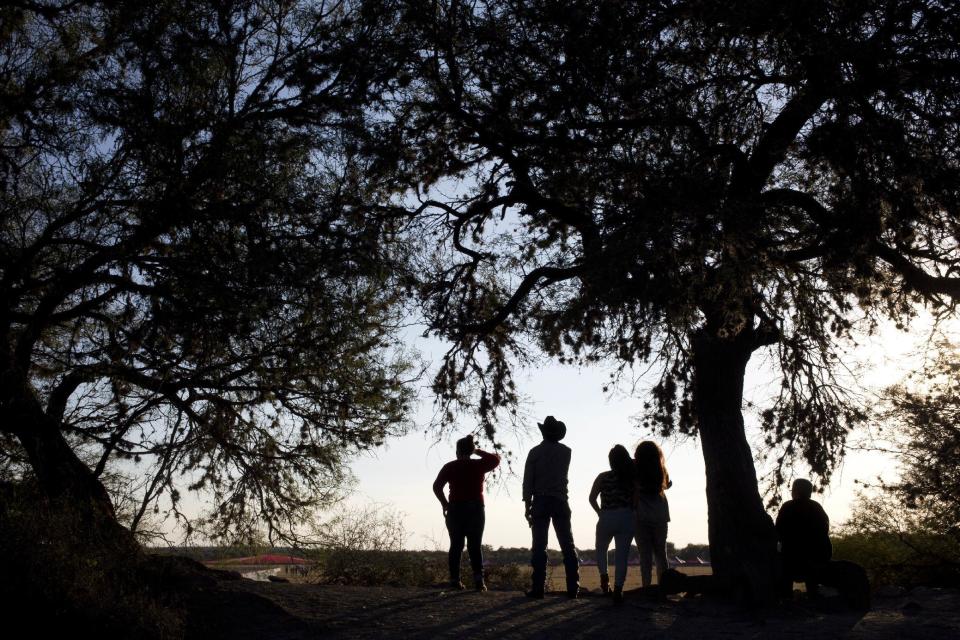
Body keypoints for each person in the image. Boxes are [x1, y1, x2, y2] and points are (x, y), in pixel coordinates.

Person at [432, 434, 500, 591]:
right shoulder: (478, 465)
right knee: (474, 546)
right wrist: (478, 451)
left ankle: (455, 580)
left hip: (455, 509)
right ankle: (479, 581)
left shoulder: (449, 466)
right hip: (475, 508)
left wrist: (445, 503)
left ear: (457, 451)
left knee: (456, 545)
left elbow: (436, 486)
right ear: (470, 451)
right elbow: (496, 459)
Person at [522, 415, 580, 598]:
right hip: (560, 500)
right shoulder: (566, 452)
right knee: (567, 545)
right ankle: (573, 588)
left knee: (539, 546)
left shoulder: (534, 452)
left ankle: (538, 588)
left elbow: (527, 481)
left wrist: (527, 505)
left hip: (540, 500)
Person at [588, 444, 636, 604]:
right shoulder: (631, 477)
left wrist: (600, 512)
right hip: (626, 517)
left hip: (606, 516)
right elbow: (636, 499)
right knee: (622, 556)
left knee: (601, 549)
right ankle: (618, 589)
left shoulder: (602, 477)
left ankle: (604, 577)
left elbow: (592, 498)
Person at [775, 478, 831, 598]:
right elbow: (824, 530)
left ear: (795, 491)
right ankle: (813, 595)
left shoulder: (788, 507)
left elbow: (778, 531)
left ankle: (786, 598)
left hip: (793, 558)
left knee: (783, 566)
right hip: (818, 557)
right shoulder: (817, 507)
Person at [634, 440, 671, 590]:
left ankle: (646, 587)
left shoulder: (635, 471)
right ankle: (665, 587)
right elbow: (667, 484)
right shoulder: (661, 470)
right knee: (661, 554)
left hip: (641, 515)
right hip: (660, 515)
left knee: (645, 556)